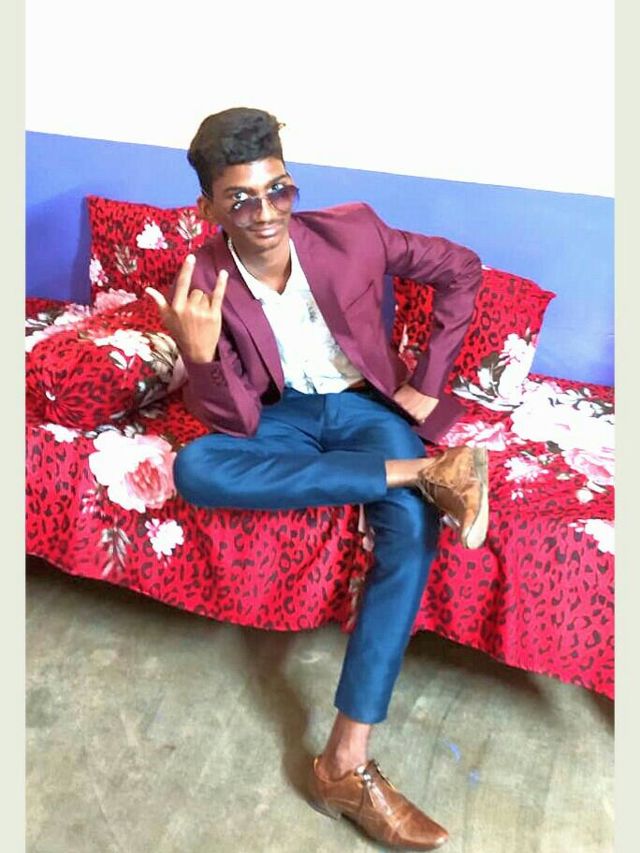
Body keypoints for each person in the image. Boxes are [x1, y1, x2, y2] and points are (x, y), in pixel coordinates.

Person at [146, 107, 488, 851]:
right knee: (197, 466)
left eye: (279, 190)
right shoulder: (202, 280)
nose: (266, 214)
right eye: (240, 200)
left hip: (365, 407)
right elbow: (235, 422)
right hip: (282, 416)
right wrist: (199, 357)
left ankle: (344, 762)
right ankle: (425, 471)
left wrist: (427, 382)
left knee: (412, 529)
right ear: (208, 208)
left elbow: (461, 268)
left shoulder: (352, 232)